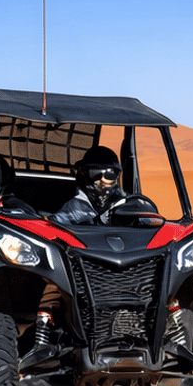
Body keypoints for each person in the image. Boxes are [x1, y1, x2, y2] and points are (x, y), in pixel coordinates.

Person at [35, 146, 127, 350]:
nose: (104, 180)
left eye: (110, 174)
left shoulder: (127, 205)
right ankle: (41, 339)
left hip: (124, 267)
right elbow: (52, 228)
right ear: (86, 175)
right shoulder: (74, 207)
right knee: (56, 279)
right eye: (97, 173)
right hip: (83, 269)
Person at [51, 146, 127, 226]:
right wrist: (94, 222)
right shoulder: (76, 205)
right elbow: (53, 226)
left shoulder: (125, 201)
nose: (102, 180)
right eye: (95, 174)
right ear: (85, 174)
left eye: (110, 174)